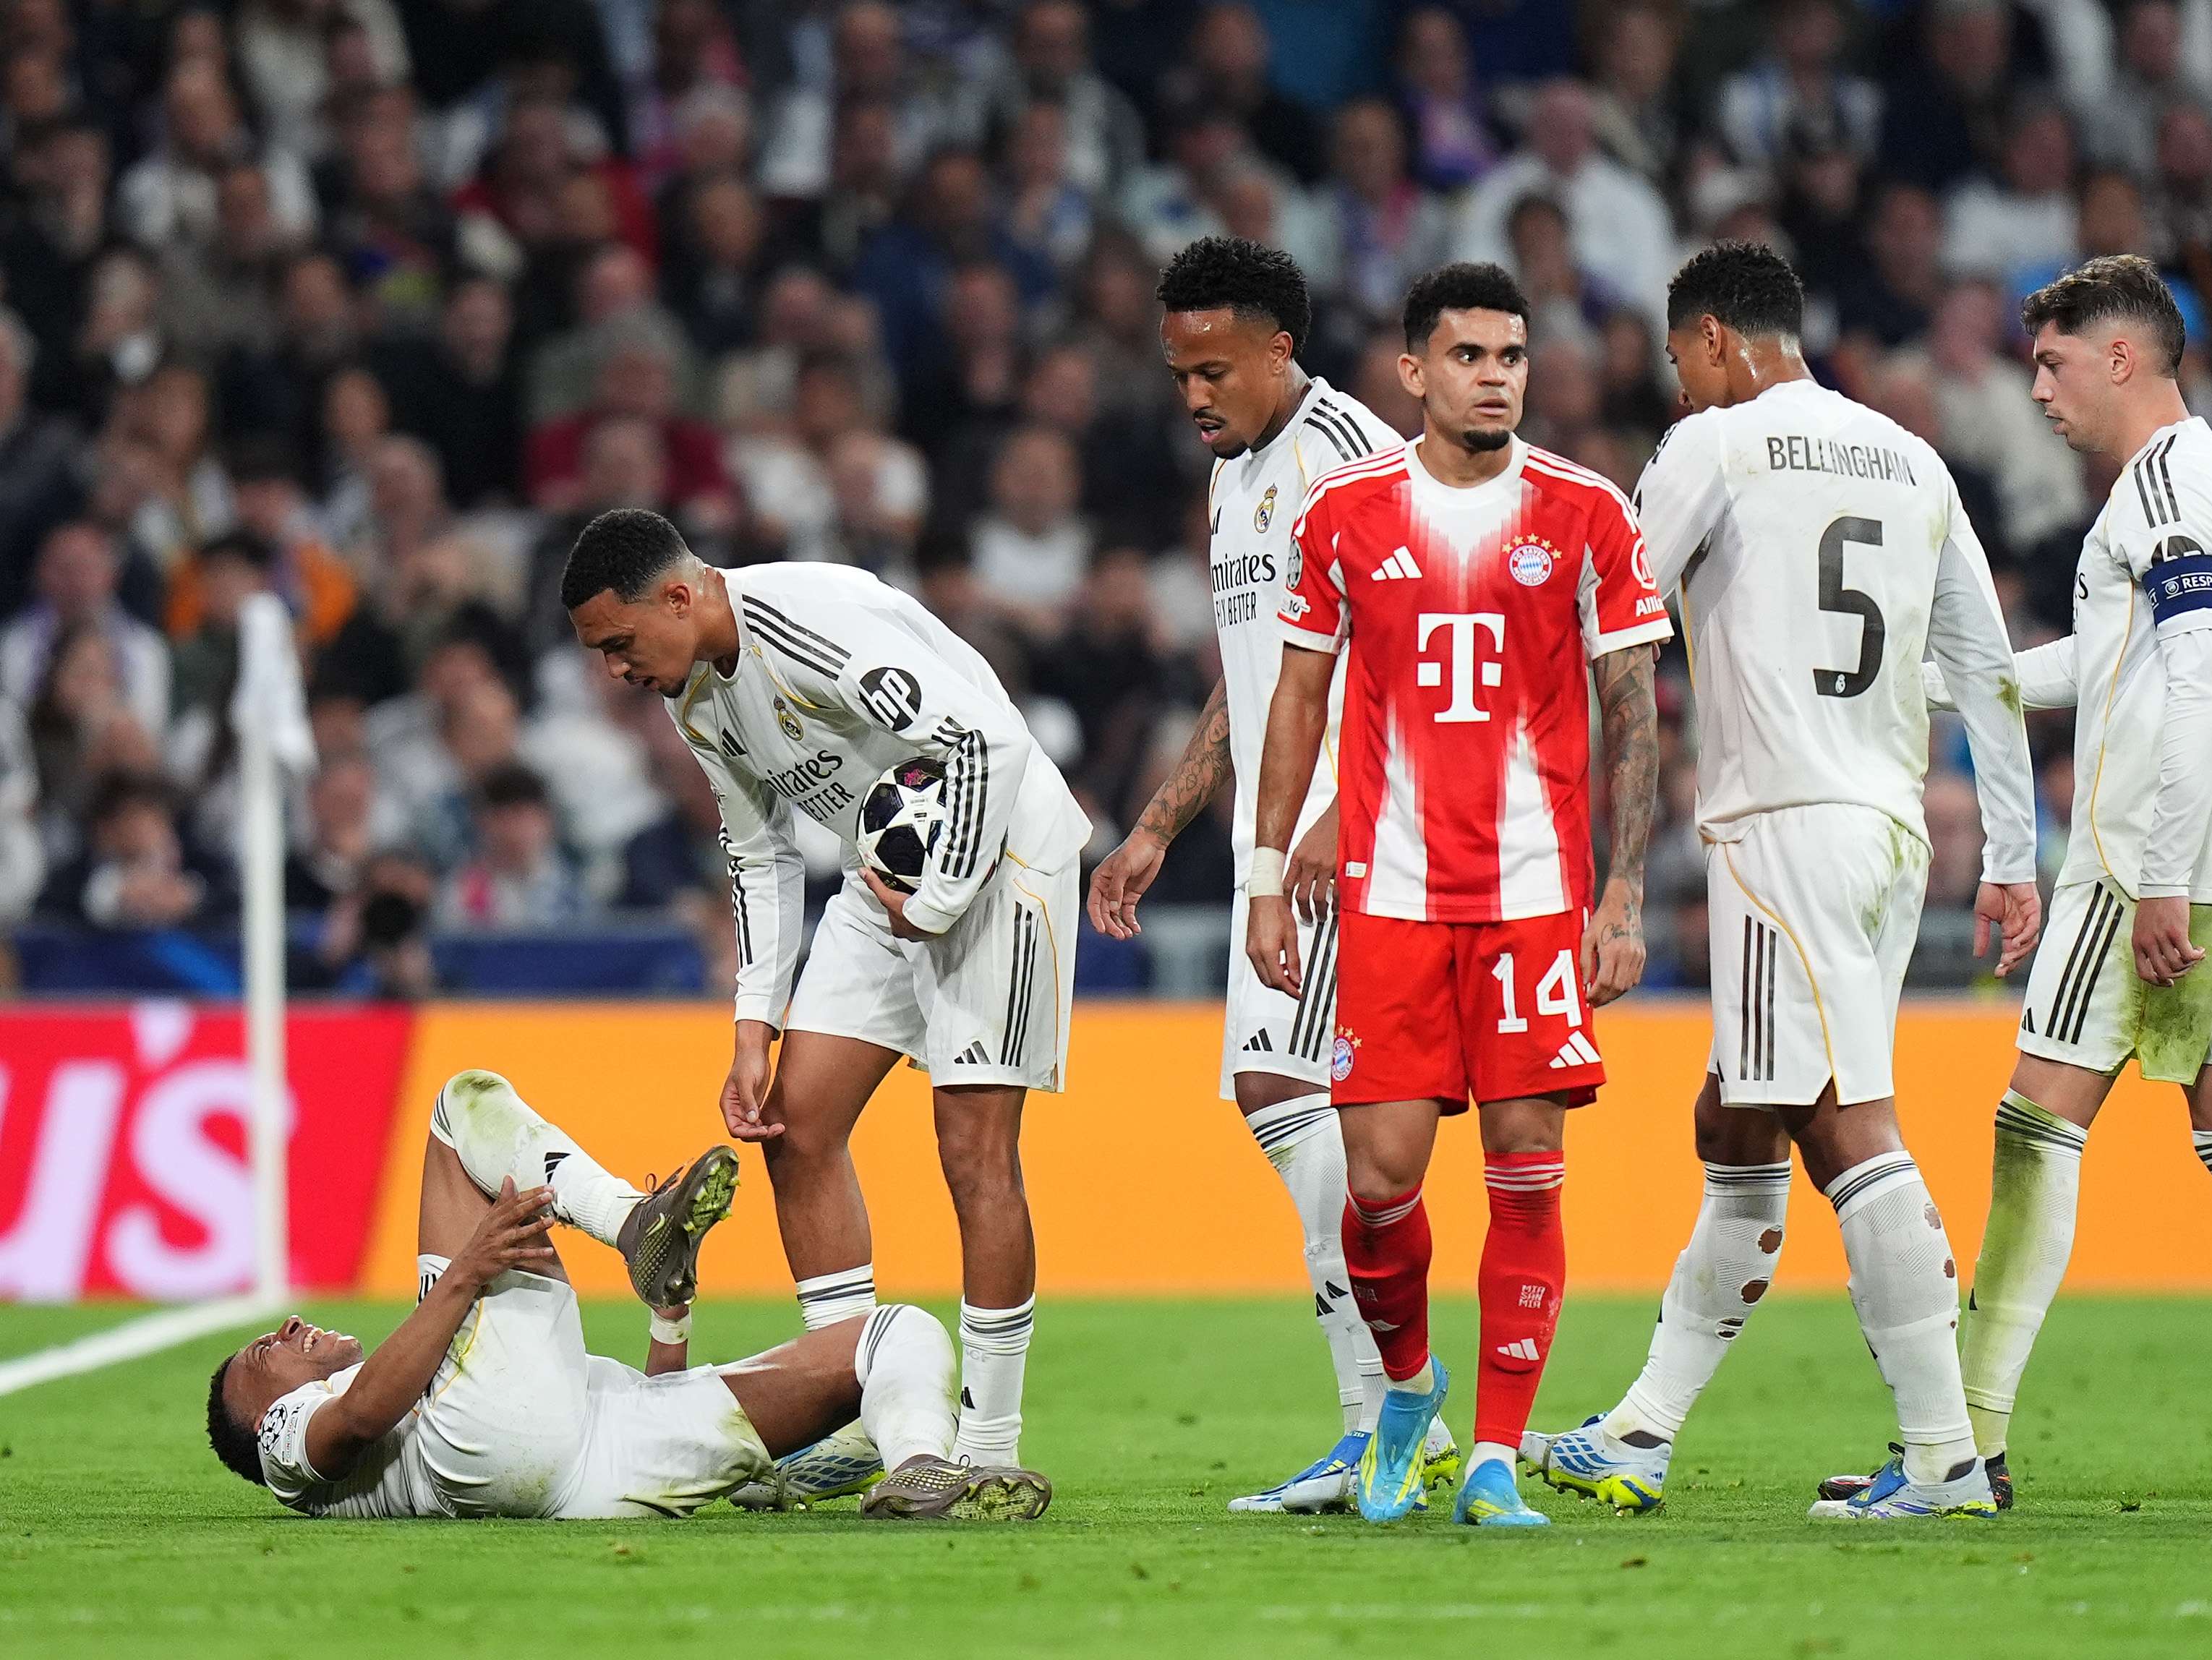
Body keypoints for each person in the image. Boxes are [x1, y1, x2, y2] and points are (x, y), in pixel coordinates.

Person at [1856, 255, 2212, 1513]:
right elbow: (2114, 670)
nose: (2037, 389)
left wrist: (2155, 877)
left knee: (2034, 1123)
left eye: (2052, 364)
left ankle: (1961, 1447)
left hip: (2151, 853)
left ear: (2119, 356)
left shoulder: (2159, 487)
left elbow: (2197, 680)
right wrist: (1934, 684)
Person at [1525, 241, 2040, 1522]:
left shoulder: (1712, 444)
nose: (1677, 383)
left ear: (1712, 339)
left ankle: (1944, 1459)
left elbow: (1611, 615)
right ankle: (1641, 1431)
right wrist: (2010, 851)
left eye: (1678, 358)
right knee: (1736, 1122)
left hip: (1778, 829)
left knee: (1839, 1122)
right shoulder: (1910, 456)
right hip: (1887, 831)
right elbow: (1986, 667)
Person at [1247, 262, 1670, 1528]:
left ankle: (1492, 1456)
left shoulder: (1586, 512)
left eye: (1511, 356)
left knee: (1526, 1163)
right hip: (1386, 896)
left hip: (1532, 897)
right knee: (1378, 1184)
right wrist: (1265, 877)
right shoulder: (1343, 512)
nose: (1495, 377)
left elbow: (1633, 710)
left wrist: (1623, 894)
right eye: (1469, 355)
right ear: (1413, 371)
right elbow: (1297, 699)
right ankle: (1407, 1386)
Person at [562, 508, 1088, 1498]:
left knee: (974, 1151)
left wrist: (937, 903)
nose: (615, 670)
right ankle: (859, 1406)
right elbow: (759, 852)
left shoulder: (805, 624)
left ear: (677, 596)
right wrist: (752, 1026)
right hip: (885, 874)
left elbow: (989, 741)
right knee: (796, 1125)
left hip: (1002, 856)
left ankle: (988, 1448)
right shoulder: (696, 700)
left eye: (619, 643)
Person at [1086, 236, 1453, 1514]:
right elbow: (1258, 673)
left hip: (1362, 834)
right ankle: (1389, 1412)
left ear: (1279, 349)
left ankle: (1393, 1411)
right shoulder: (1233, 474)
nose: (1193, 396)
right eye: (1178, 373)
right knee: (1291, 1102)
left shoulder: (1350, 456)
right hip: (1276, 841)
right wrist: (1158, 822)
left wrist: (1345, 813)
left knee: (1297, 1094)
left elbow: (1424, 647)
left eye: (1214, 370)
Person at [204, 1069, 1046, 1521]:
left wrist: (667, 1320)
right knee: (459, 1106)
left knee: (897, 1334)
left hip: (592, 1467)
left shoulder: (419, 1381)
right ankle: (629, 1220)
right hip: (483, 1453)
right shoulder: (285, 1445)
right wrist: (466, 1269)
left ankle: (919, 1468)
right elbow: (355, 1422)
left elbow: (627, 1401)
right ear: (260, 1415)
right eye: (261, 1353)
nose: (285, 1326)